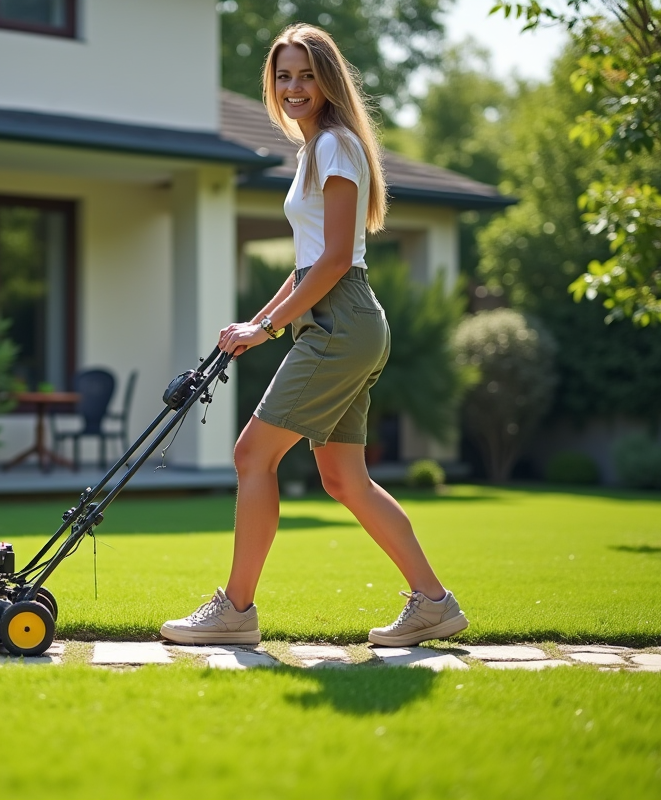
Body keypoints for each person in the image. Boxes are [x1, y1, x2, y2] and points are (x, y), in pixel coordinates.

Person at [160, 23, 468, 648]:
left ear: (327, 81)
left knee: (252, 454)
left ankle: (236, 611)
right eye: (284, 75)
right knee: (344, 479)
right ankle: (434, 604)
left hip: (341, 321)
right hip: (339, 319)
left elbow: (332, 265)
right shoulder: (316, 150)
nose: (293, 86)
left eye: (306, 74)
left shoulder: (334, 145)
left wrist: (269, 325)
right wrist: (258, 324)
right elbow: (311, 264)